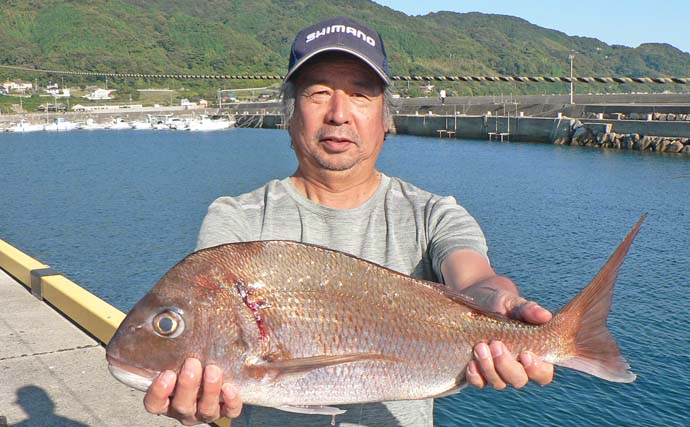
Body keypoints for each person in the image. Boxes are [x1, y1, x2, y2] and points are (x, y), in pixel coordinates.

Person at [143, 16, 553, 426]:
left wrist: (501, 305)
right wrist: (196, 401)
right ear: (289, 113)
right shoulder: (237, 219)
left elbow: (475, 278)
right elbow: (201, 314)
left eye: (360, 94)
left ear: (386, 118)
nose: (338, 114)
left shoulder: (433, 214)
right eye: (318, 93)